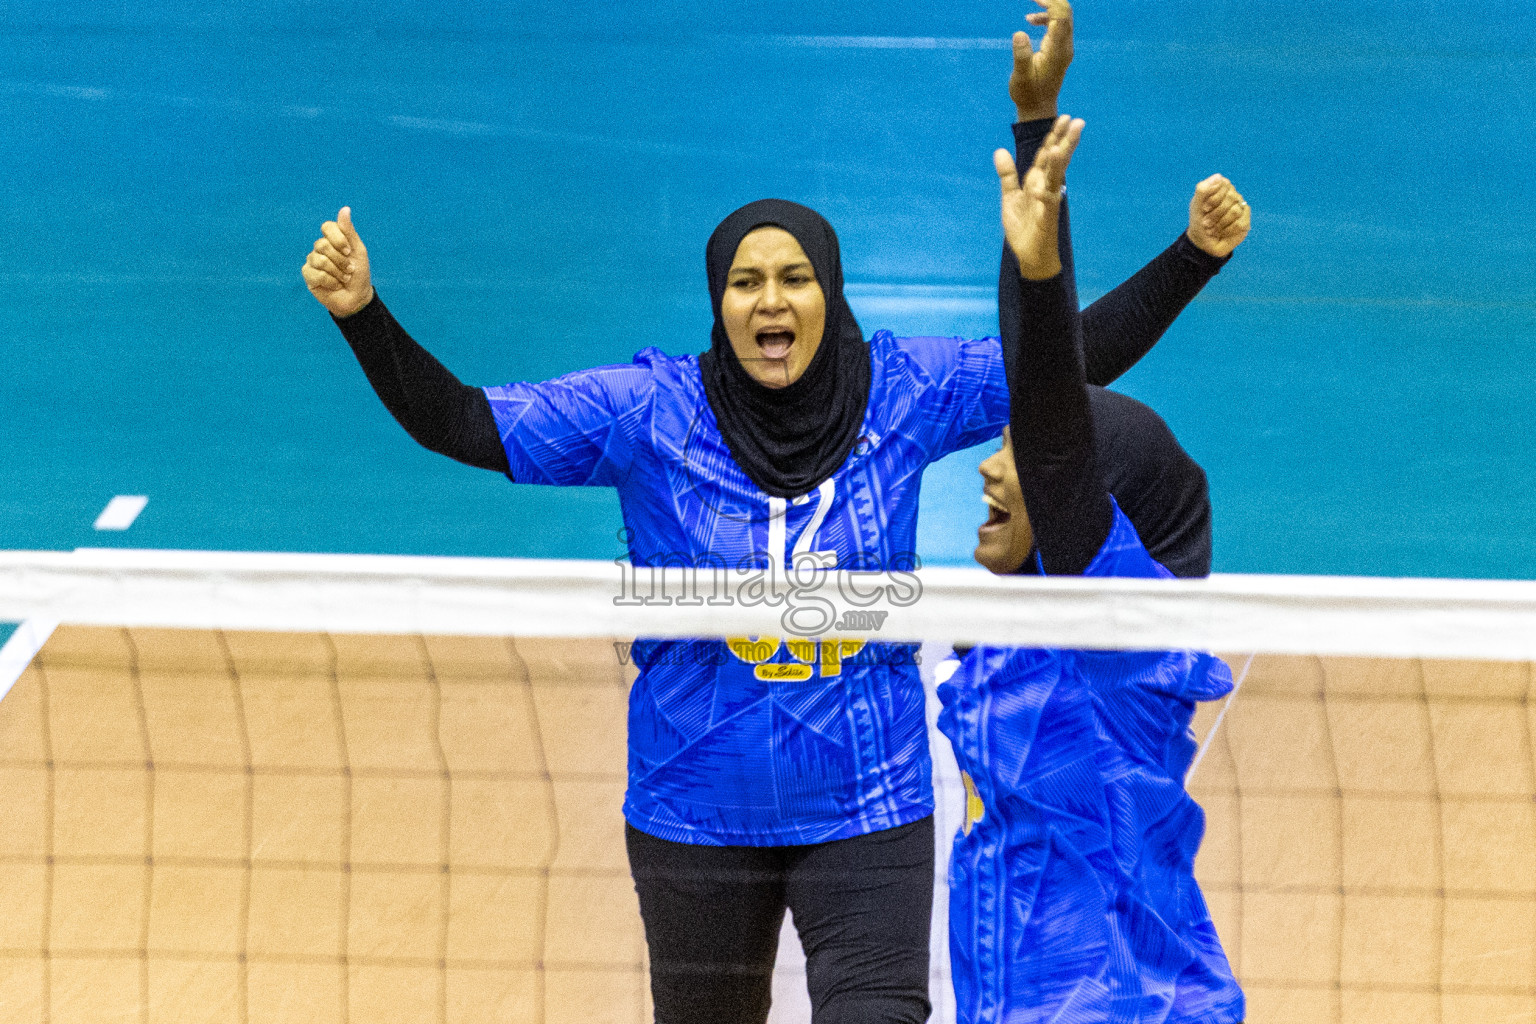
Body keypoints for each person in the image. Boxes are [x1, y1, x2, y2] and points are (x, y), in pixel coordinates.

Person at [297, 4, 1241, 1019]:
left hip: (867, 808)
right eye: (746, 281)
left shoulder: (904, 391)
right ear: (719, 300)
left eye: (794, 277)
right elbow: (465, 423)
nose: (770, 300)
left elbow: (1055, 366)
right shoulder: (647, 413)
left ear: (829, 291)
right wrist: (363, 315)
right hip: (694, 812)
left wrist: (1186, 257)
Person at [935, 115, 1248, 1024]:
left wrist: (1039, 268)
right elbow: (1040, 389)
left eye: (1018, 452)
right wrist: (1036, 129)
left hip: (1115, 1001)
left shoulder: (1120, 639)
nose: (991, 467)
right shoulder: (1014, 632)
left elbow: (1052, 418)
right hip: (1010, 993)